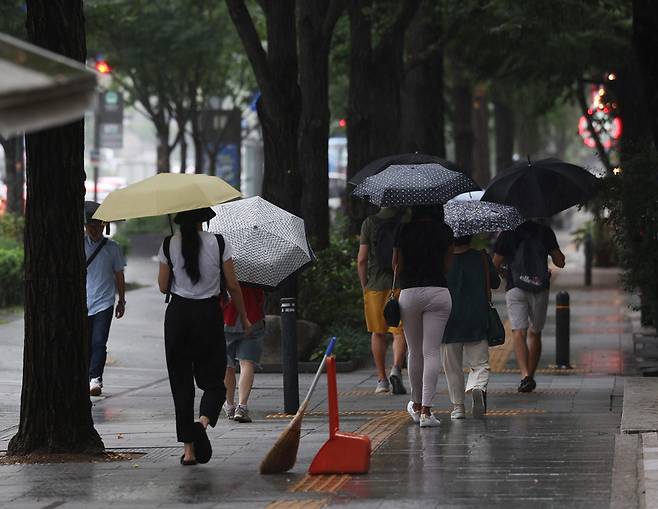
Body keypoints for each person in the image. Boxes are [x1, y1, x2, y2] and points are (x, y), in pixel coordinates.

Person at [158, 207, 251, 465]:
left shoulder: (168, 244)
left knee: (181, 384)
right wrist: (244, 317)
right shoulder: (219, 242)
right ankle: (202, 423)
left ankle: (189, 452)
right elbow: (233, 285)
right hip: (208, 315)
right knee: (213, 382)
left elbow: (163, 286)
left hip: (177, 317)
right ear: (204, 220)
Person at [393, 205, 453, 428]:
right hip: (438, 291)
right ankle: (428, 412)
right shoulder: (445, 231)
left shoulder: (404, 230)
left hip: (409, 292)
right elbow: (447, 266)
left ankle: (416, 406)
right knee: (431, 351)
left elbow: (396, 266)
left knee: (414, 351)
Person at [493, 220, 565, 393]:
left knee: (518, 332)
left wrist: (506, 272)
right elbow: (560, 262)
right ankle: (530, 377)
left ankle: (525, 376)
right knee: (535, 332)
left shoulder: (508, 233)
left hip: (515, 287)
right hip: (539, 288)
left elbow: (494, 264)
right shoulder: (545, 231)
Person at [441, 235, 500, 419]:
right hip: (477, 317)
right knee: (480, 363)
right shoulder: (481, 257)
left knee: (452, 367)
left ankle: (458, 408)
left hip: (448, 320)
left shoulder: (442, 259)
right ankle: (477, 386)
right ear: (471, 236)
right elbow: (496, 282)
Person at [358, 207, 407, 394]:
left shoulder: (369, 223)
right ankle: (396, 367)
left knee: (378, 333)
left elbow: (362, 259)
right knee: (399, 332)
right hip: (400, 282)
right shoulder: (404, 221)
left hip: (375, 284)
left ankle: (382, 379)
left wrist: (364, 285)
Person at [84, 202, 126, 397]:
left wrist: (122, 301)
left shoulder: (113, 248)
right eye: (91, 225)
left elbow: (119, 275)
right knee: (84, 342)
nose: (95, 229)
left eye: (98, 225)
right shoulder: (79, 245)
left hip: (104, 303)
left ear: (104, 226)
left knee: (99, 342)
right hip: (82, 302)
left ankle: (95, 379)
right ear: (85, 226)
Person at [222, 285, 265, 423]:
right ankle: (242, 407)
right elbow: (260, 297)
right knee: (246, 363)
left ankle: (229, 405)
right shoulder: (253, 268)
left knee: (228, 366)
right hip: (252, 319)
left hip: (225, 318)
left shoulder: (223, 267)